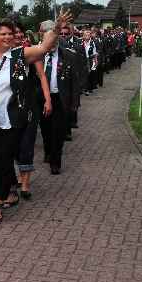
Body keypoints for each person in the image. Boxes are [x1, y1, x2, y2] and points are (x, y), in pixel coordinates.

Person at [0, 14, 68, 224]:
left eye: (10, 33)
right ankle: (8, 191)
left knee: (3, 157)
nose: (8, 37)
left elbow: (44, 47)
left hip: (12, 119)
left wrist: (56, 29)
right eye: (3, 34)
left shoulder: (20, 55)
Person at [39, 20, 81, 174]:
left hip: (60, 99)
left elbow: (75, 82)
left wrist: (74, 103)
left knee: (58, 131)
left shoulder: (68, 56)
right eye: (49, 39)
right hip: (42, 99)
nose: (52, 42)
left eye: (55, 38)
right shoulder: (37, 55)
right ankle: (48, 151)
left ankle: (55, 161)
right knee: (45, 129)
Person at [16, 30, 52, 199]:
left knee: (27, 143)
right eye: (14, 33)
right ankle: (18, 174)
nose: (17, 37)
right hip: (10, 107)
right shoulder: (1, 55)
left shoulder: (31, 54)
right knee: (14, 145)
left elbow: (42, 76)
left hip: (29, 104)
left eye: (20, 34)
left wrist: (47, 100)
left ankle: (25, 184)